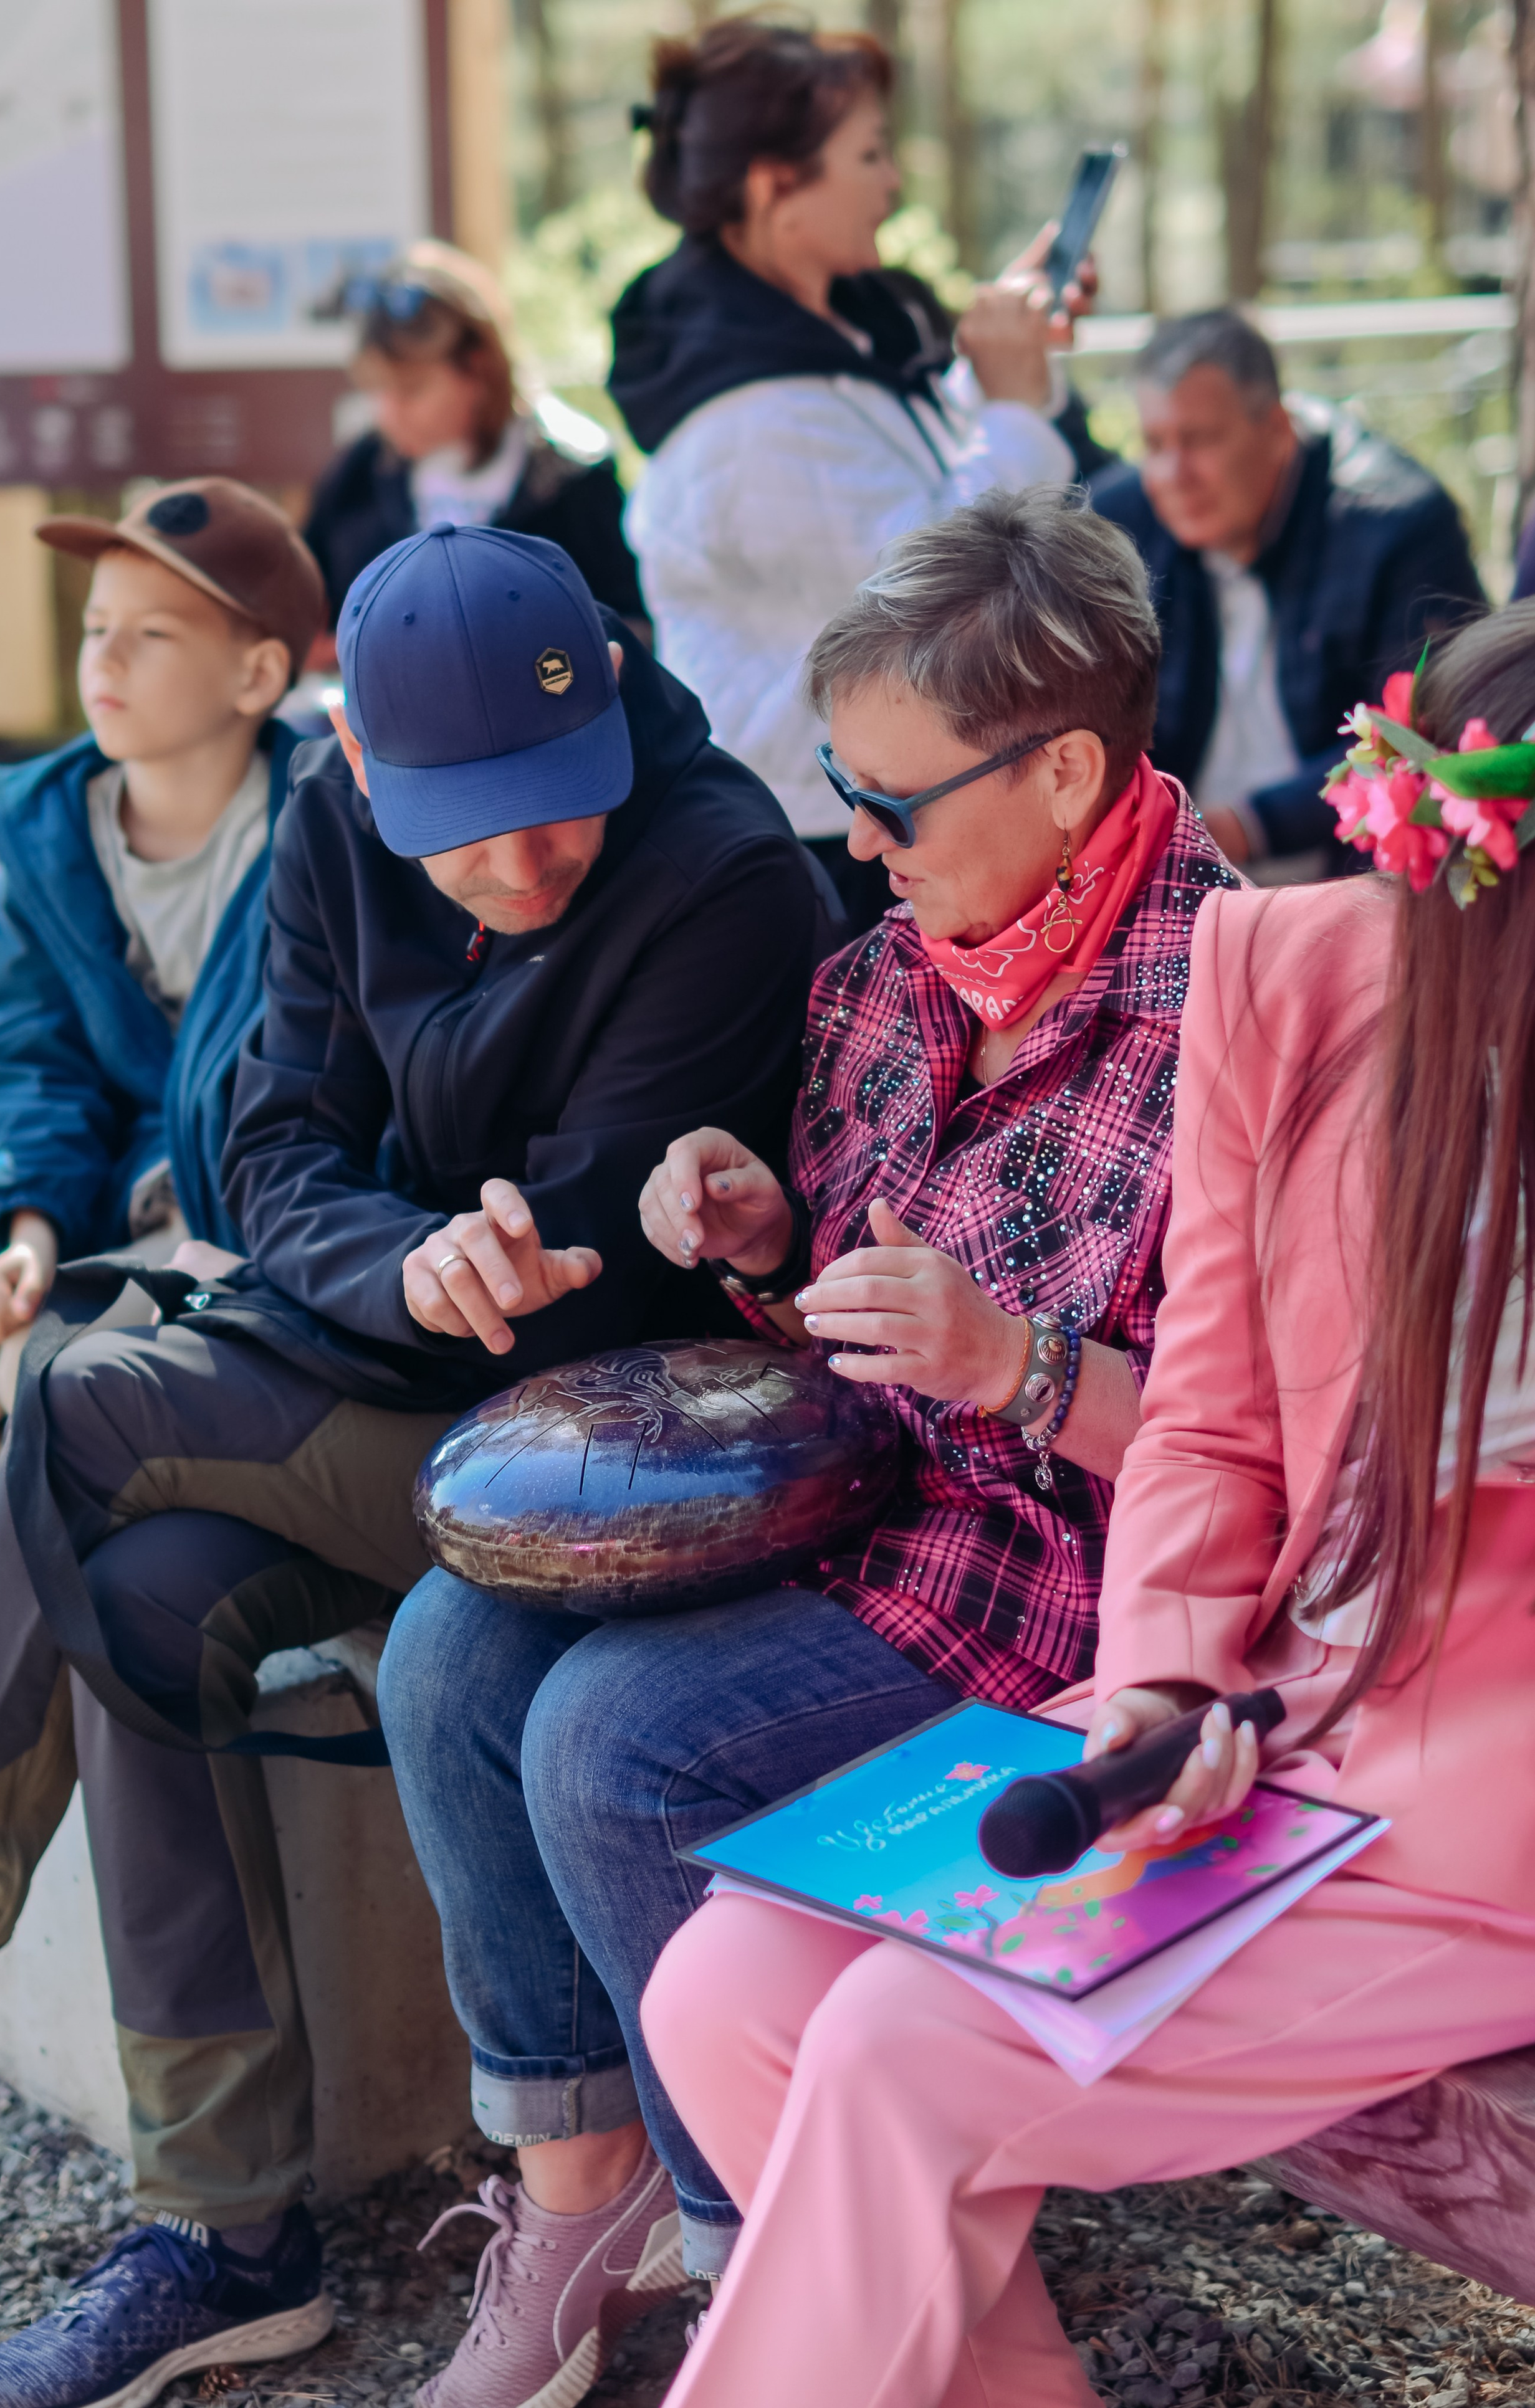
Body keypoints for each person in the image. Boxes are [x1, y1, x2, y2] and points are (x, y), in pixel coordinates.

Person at [0, 526, 826, 2408]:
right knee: (136, 1595)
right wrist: (400, 1255)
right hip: (375, 1361)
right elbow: (274, 1144)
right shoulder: (336, 824)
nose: (524, 862)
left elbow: (605, 1258)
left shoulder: (722, 873)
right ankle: (227, 2236)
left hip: (600, 1449)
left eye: (557, 801)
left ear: (609, 702)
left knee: (81, 1400)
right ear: (358, 760)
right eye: (466, 827)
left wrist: (414, 1260)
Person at [375, 487, 1237, 2408]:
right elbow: (846, 1312)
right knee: (447, 1652)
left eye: (890, 804)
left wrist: (1021, 1364)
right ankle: (585, 2197)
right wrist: (767, 1238)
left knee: (614, 1735)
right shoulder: (886, 969)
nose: (854, 840)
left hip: (1070, 1596)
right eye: (842, 789)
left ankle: (777, 2273)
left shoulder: (1242, 1009)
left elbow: (1278, 1446)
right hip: (853, 1510)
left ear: (1067, 772)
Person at [636, 601, 1535, 2408]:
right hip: (1258, 1673)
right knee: (720, 1995)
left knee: (903, 2047)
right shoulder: (1290, 971)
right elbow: (1210, 1410)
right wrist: (1163, 1676)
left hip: (1488, 1772)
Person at [610, 17, 1089, 935]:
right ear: (774, 186)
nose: (892, 182)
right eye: (868, 154)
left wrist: (1009, 361)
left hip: (864, 811)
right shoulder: (755, 415)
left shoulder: (817, 339)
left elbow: (897, 480)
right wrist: (1014, 403)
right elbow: (948, 593)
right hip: (827, 843)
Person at [0, 478, 322, 1440]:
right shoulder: (48, 837)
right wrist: (28, 1230)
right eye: (95, 626)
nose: (104, 657)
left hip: (252, 1232)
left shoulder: (322, 834)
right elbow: (37, 1069)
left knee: (46, 1375)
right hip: (99, 1209)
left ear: (256, 675)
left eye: (151, 635)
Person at [1092, 307, 1485, 883]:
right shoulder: (1117, 522)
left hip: (1352, 875)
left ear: (1277, 429)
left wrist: (1241, 827)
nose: (1174, 473)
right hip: (1168, 872)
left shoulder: (1396, 524)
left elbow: (1426, 734)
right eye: (1154, 443)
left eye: (1199, 440)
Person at [304, 239, 646, 637]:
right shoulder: (361, 473)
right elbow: (311, 606)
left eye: (411, 391)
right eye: (376, 390)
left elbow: (629, 628)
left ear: (478, 371)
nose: (387, 414)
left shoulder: (572, 473)